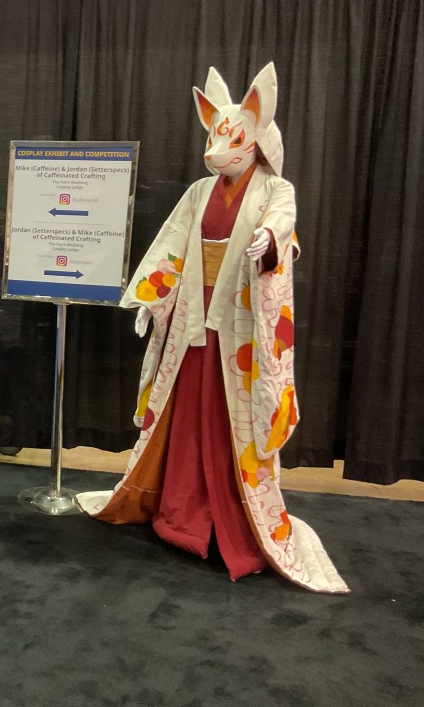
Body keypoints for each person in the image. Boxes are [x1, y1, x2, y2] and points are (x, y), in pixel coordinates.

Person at [76, 64, 348, 593]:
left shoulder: (276, 188)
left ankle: (232, 523)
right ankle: (178, 511)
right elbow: (174, 246)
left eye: (234, 137)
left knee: (233, 423)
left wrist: (268, 242)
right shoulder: (200, 193)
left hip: (241, 328)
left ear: (257, 140)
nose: (220, 148)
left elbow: (282, 227)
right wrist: (151, 299)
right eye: (215, 135)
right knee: (185, 414)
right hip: (192, 323)